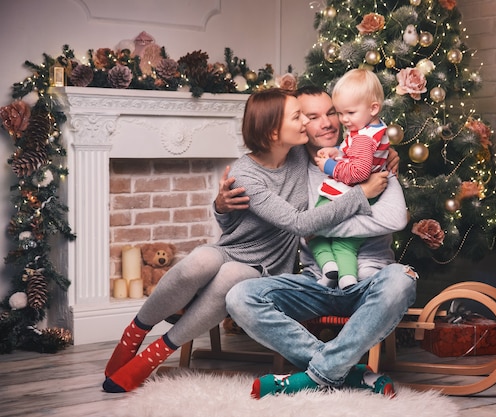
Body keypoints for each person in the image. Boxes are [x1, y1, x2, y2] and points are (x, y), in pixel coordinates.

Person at [101, 88, 389, 393]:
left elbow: (355, 148)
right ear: (274, 131)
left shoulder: (300, 152)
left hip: (270, 264)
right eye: (298, 116)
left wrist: (385, 154)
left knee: (231, 276)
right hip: (234, 248)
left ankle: (154, 354)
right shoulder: (245, 173)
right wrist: (361, 195)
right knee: (201, 259)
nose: (307, 122)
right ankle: (133, 334)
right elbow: (296, 222)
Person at [221, 86, 417, 398]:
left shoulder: (370, 158)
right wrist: (221, 207)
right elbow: (291, 222)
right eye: (312, 116)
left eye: (332, 113)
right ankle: (346, 372)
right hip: (318, 282)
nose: (327, 123)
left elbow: (394, 219)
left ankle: (316, 375)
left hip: (371, 280)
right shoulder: (293, 169)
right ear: (297, 124)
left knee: (402, 280)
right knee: (240, 297)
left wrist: (320, 228)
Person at [311, 68, 390, 289]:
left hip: (345, 194)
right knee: (345, 246)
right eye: (341, 113)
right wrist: (337, 152)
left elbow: (359, 173)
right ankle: (347, 280)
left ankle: (328, 268)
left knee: (313, 234)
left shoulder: (364, 138)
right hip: (366, 197)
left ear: (374, 108)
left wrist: (329, 166)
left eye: (350, 113)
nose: (344, 120)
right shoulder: (372, 129)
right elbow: (359, 156)